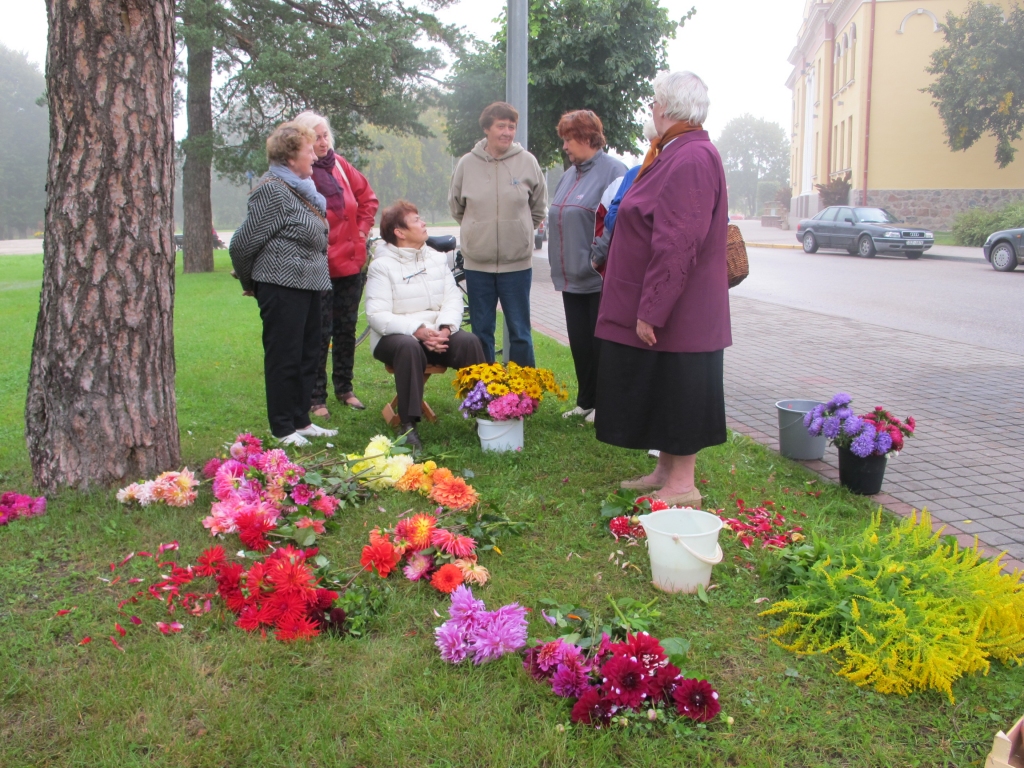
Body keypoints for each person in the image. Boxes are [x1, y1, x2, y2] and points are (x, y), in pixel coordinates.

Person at [594, 71, 731, 508]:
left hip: (681, 310)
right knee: (664, 386)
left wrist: (653, 308)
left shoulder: (691, 158)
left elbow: (677, 241)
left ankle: (683, 485)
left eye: (654, 103)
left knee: (680, 390)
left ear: (668, 109)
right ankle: (665, 471)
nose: (651, 110)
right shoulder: (675, 151)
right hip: (672, 304)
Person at [229, 122, 338, 447]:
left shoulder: (303, 189)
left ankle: (301, 421)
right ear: (291, 157)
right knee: (284, 356)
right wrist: (251, 283)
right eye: (308, 151)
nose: (313, 157)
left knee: (308, 354)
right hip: (280, 284)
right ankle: (281, 427)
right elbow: (242, 244)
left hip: (309, 284)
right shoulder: (272, 189)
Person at [365, 201, 487, 451]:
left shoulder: (436, 259)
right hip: (396, 337)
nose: (423, 223)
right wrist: (418, 330)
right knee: (409, 347)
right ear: (399, 232)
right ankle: (408, 426)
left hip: (437, 334)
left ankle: (483, 415)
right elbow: (377, 315)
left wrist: (444, 329)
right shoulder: (381, 266)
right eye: (417, 220)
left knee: (470, 342)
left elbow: (452, 298)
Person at [292, 110, 379, 418]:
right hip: (319, 265)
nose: (323, 141)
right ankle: (316, 398)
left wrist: (361, 230)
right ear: (303, 139)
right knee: (319, 332)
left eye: (325, 134)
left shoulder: (340, 165)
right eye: (315, 137)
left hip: (351, 263)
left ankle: (345, 388)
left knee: (346, 328)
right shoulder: (299, 171)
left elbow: (368, 200)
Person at [448, 102, 547, 367]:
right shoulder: (467, 164)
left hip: (517, 265)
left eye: (511, 127)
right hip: (478, 265)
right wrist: (477, 230)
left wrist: (521, 229)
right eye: (501, 126)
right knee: (481, 331)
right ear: (486, 129)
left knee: (520, 332)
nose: (507, 132)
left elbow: (537, 208)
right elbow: (457, 207)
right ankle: (484, 391)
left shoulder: (527, 162)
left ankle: (524, 392)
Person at [546, 110, 626, 422]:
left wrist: (598, 254)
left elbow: (617, 219)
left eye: (569, 139)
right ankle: (586, 401)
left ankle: (607, 404)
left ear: (587, 137)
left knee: (601, 345)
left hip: (598, 276)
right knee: (580, 343)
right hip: (570, 277)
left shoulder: (613, 171)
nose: (564, 146)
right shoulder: (569, 174)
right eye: (563, 139)